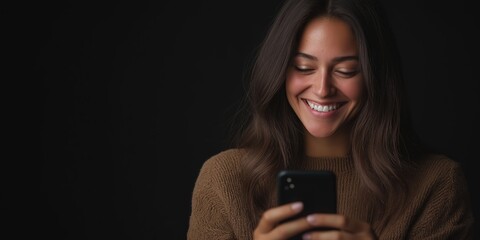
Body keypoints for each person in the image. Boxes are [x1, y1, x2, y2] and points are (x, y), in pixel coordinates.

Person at [187, 0, 475, 239]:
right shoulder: (224, 181)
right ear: (279, 71)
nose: (323, 89)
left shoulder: (436, 186)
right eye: (303, 67)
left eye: (346, 71)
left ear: (375, 78)